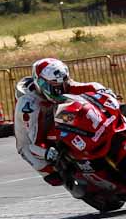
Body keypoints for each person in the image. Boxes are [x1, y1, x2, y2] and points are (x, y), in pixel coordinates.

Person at [13, 57, 113, 189]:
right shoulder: (29, 106)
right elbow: (34, 143)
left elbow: (86, 87)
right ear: (41, 84)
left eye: (63, 84)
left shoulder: (62, 83)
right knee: (55, 176)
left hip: (56, 116)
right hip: (32, 140)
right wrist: (46, 152)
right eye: (55, 87)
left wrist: (103, 91)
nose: (61, 90)